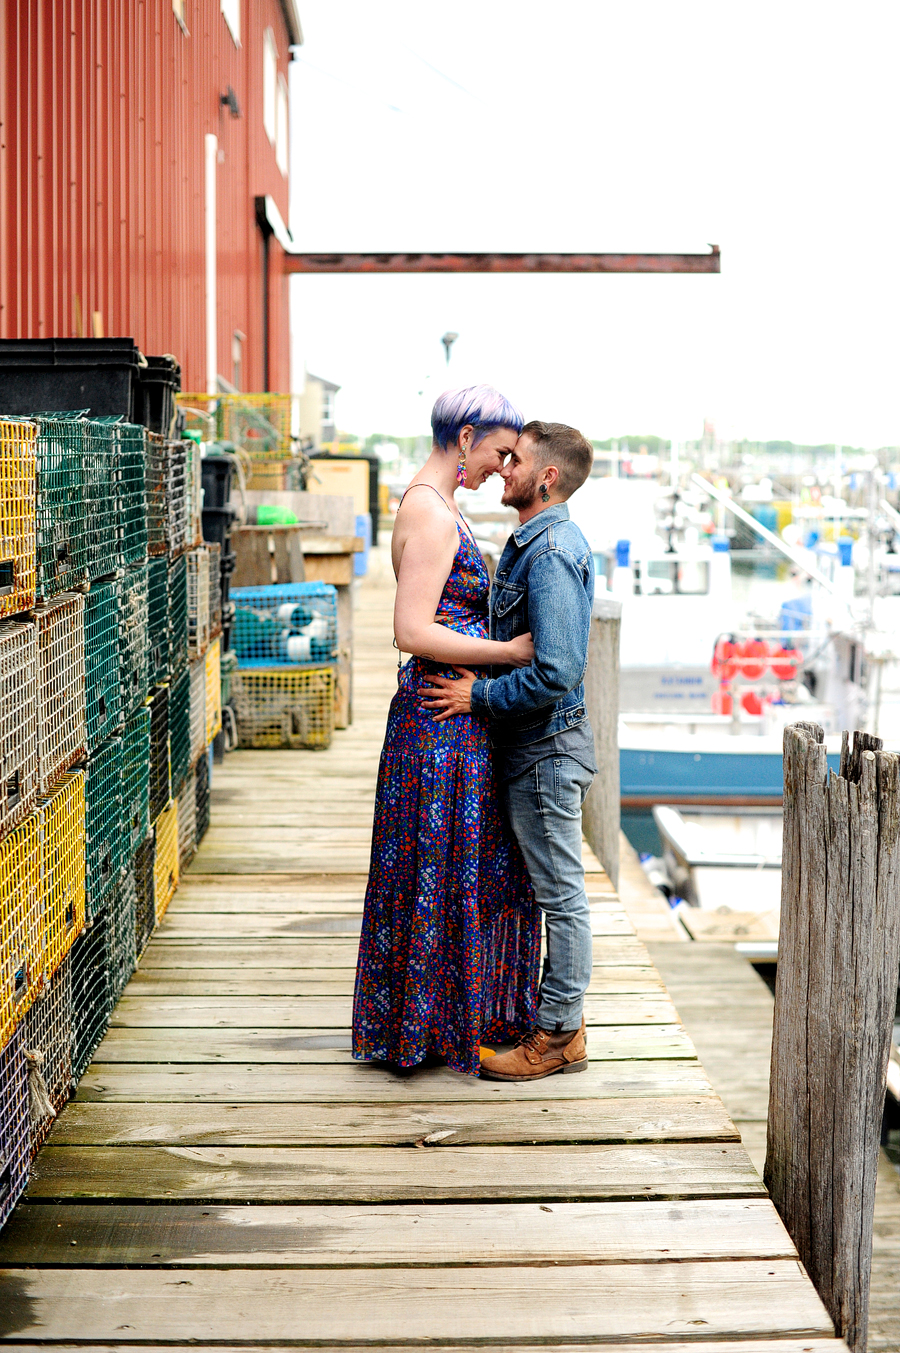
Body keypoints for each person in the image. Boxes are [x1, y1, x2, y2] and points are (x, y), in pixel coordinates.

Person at [352, 386, 541, 1078]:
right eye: (497, 450)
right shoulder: (431, 514)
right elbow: (410, 629)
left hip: (443, 721)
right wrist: (511, 654)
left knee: (439, 866)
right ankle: (428, 1026)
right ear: (465, 438)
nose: (502, 465)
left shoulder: (433, 503)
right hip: (439, 726)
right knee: (439, 866)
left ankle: (425, 1023)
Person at [420, 420, 597, 1080]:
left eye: (515, 460)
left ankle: (557, 1035)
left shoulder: (549, 552)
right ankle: (556, 1024)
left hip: (546, 755)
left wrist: (479, 698)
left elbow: (557, 670)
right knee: (554, 891)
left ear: (546, 476)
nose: (503, 468)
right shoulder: (537, 541)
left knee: (561, 896)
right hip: (537, 752)